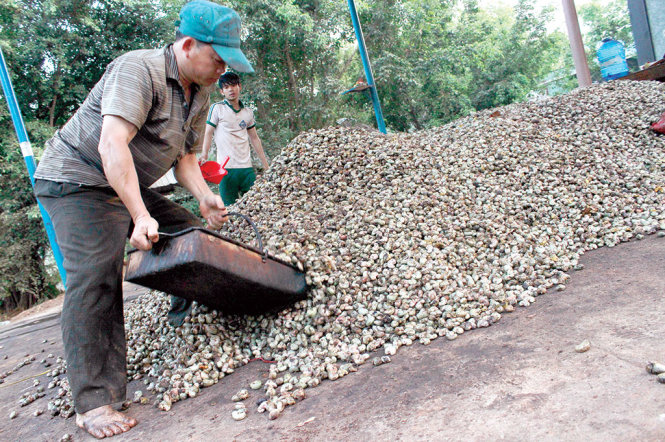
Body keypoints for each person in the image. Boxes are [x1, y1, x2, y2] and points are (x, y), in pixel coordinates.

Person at [32, 1, 253, 438]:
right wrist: (138, 215)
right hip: (77, 180)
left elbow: (186, 158)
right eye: (218, 57)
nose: (223, 68)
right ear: (188, 45)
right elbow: (112, 146)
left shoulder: (199, 88)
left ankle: (184, 307)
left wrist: (206, 197)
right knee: (96, 274)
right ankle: (94, 401)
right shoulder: (139, 71)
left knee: (190, 235)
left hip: (124, 180)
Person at [199, 71, 269, 205]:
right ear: (221, 91)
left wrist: (266, 165)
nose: (230, 89)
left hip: (246, 169)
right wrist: (204, 154)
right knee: (229, 211)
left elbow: (254, 138)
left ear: (239, 87)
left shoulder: (247, 112)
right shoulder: (217, 109)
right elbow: (208, 132)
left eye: (233, 85)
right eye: (226, 87)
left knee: (255, 206)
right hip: (226, 170)